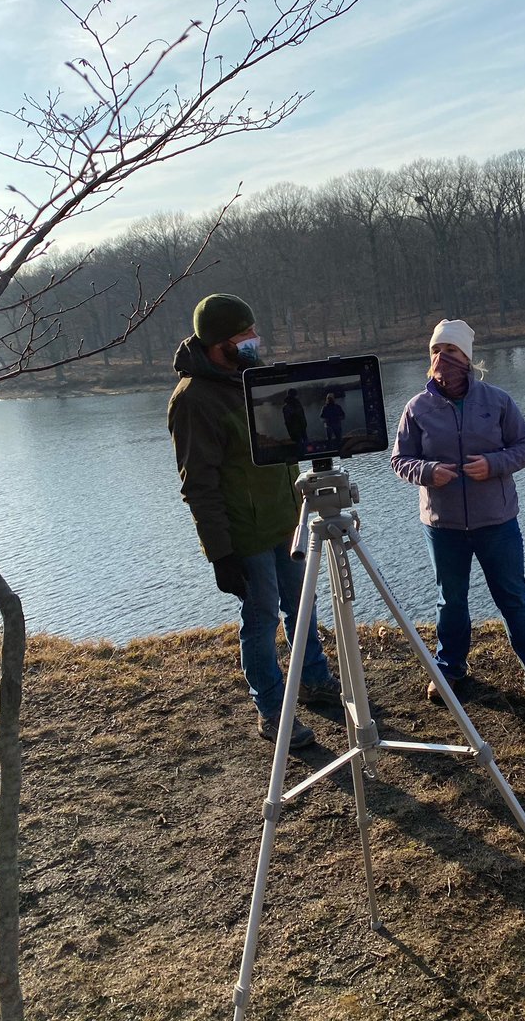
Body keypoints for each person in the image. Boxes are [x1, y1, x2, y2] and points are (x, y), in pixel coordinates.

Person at [167, 293, 340, 749]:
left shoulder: (257, 379)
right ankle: (272, 711)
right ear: (218, 342)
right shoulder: (193, 400)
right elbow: (197, 485)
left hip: (287, 520)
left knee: (302, 606)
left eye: (252, 333)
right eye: (243, 336)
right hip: (245, 535)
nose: (252, 341)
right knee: (261, 619)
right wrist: (220, 554)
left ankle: (315, 680)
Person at [391, 318, 525, 710]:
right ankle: (450, 669)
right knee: (451, 601)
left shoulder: (497, 401)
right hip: (443, 527)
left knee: (513, 599)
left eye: (452, 352)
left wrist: (493, 465)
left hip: (497, 522)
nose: (443, 359)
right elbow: (399, 460)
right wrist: (428, 472)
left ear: (468, 358)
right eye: (436, 352)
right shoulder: (417, 408)